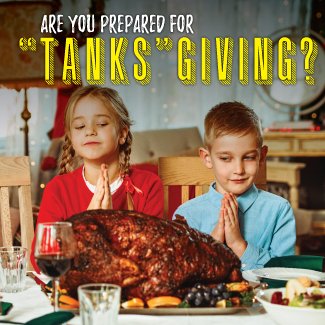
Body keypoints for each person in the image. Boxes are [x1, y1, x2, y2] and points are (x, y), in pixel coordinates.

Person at [31, 85, 164, 272]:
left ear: (122, 134)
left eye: (101, 124)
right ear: (71, 137)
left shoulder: (148, 185)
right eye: (80, 126)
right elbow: (41, 261)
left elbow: (153, 256)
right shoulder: (58, 189)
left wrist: (109, 225)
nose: (90, 131)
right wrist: (86, 227)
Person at [173, 101, 296, 271]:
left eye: (248, 157)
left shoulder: (279, 211)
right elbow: (181, 273)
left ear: (261, 156)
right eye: (225, 158)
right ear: (207, 158)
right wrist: (212, 244)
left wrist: (239, 245)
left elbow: (285, 274)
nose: (239, 170)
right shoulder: (186, 215)